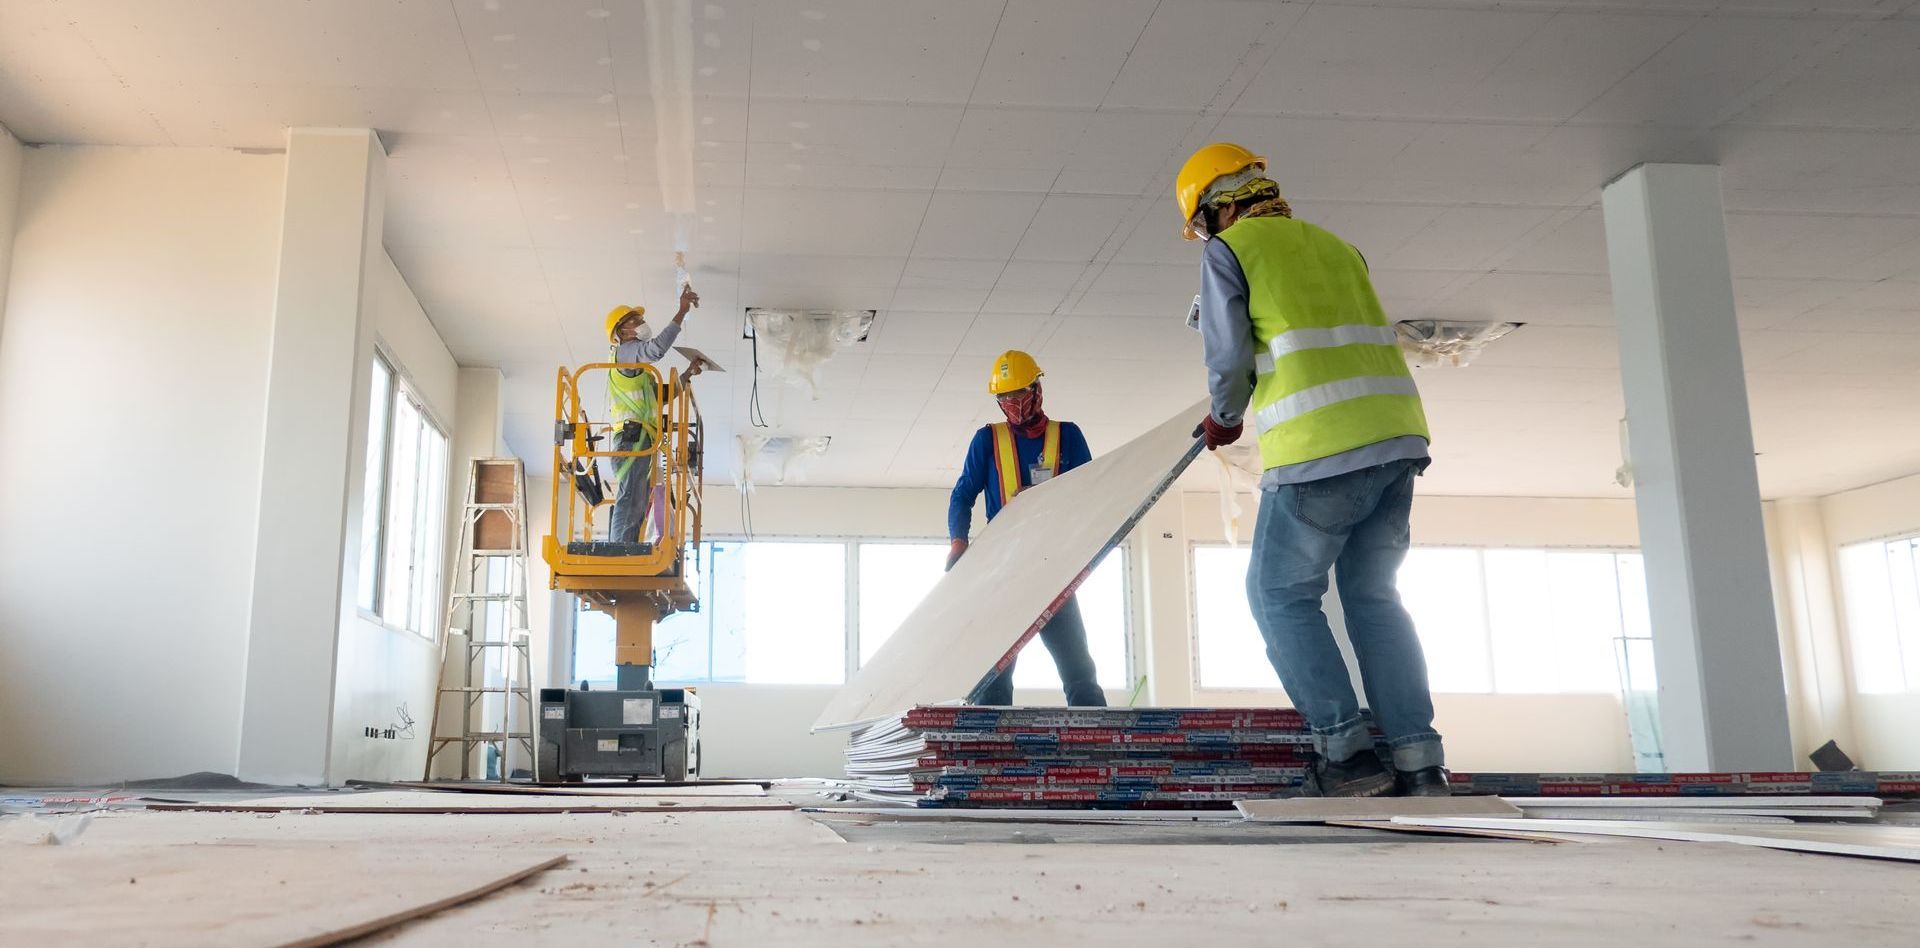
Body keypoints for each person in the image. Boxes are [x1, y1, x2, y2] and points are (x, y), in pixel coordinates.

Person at [1175, 142, 1448, 797]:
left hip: (1320, 447)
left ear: (1219, 207)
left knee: (1278, 595)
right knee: (1374, 599)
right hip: (1395, 440)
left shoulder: (1230, 251)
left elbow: (1228, 359)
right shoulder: (1335, 245)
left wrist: (1225, 417)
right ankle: (1419, 763)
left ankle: (1346, 756)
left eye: (1202, 224)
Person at [947, 350, 1105, 707]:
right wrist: (959, 541)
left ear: (1037, 390)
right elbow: (961, 496)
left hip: (1051, 569)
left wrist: (1049, 501)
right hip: (1002, 573)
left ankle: (1099, 750)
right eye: (1005, 398)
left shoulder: (1068, 436)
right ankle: (990, 757)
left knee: (1079, 670)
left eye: (1020, 396)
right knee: (994, 679)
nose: (1013, 405)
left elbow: (1092, 494)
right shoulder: (987, 440)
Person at [605, 284, 699, 547]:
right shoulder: (626, 353)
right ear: (622, 332)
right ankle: (620, 552)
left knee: (636, 501)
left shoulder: (641, 373)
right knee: (630, 498)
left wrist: (687, 374)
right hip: (631, 440)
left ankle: (627, 548)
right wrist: (681, 312)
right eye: (636, 321)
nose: (642, 323)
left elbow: (663, 397)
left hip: (641, 442)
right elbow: (656, 349)